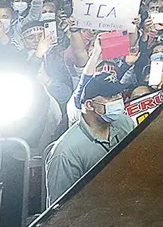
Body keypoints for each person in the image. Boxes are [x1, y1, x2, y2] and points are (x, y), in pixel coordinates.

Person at [44, 73, 135, 206]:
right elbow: (60, 211)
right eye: (110, 97)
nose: (118, 100)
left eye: (119, 94)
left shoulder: (124, 122)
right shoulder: (65, 154)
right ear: (90, 105)